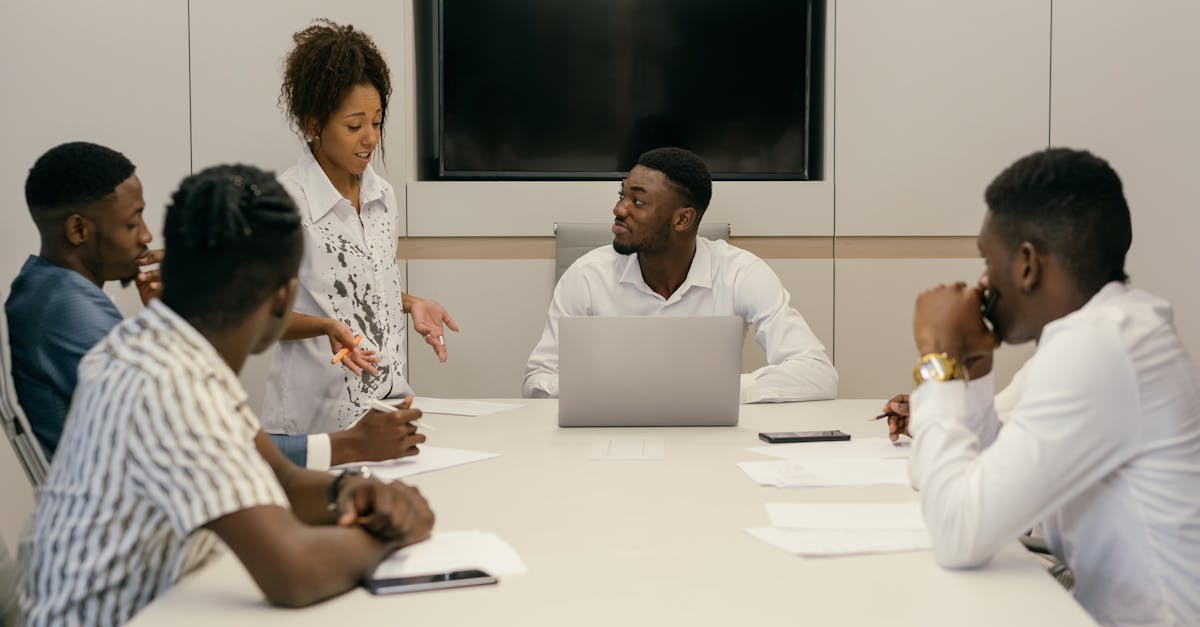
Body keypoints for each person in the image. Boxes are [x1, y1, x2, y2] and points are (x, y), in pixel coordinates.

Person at [19, 165, 434, 626]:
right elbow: (293, 573)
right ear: (284, 298)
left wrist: (353, 489)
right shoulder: (171, 382)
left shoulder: (158, 344)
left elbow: (285, 481)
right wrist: (394, 531)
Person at [900, 148, 1200, 626]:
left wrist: (939, 356)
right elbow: (957, 480)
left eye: (987, 260)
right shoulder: (1104, 332)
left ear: (1025, 264)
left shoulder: (1100, 347)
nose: (982, 281)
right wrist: (972, 370)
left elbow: (957, 534)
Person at [263, 19, 457, 465]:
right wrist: (324, 327)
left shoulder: (382, 195)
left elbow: (352, 282)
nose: (370, 138)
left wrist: (408, 302)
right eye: (354, 126)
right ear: (314, 124)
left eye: (376, 122)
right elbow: (255, 316)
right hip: (315, 431)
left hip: (388, 413)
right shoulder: (282, 205)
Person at [523, 147, 837, 402]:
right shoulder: (588, 276)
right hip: (609, 438)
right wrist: (613, 391)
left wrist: (716, 391)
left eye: (638, 201)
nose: (620, 209)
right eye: (621, 196)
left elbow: (817, 373)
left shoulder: (741, 273)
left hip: (709, 443)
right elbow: (537, 381)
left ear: (683, 219)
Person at [6, 141, 162, 458]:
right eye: (133, 222)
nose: (146, 236)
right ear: (78, 230)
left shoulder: (39, 285)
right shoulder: (69, 308)